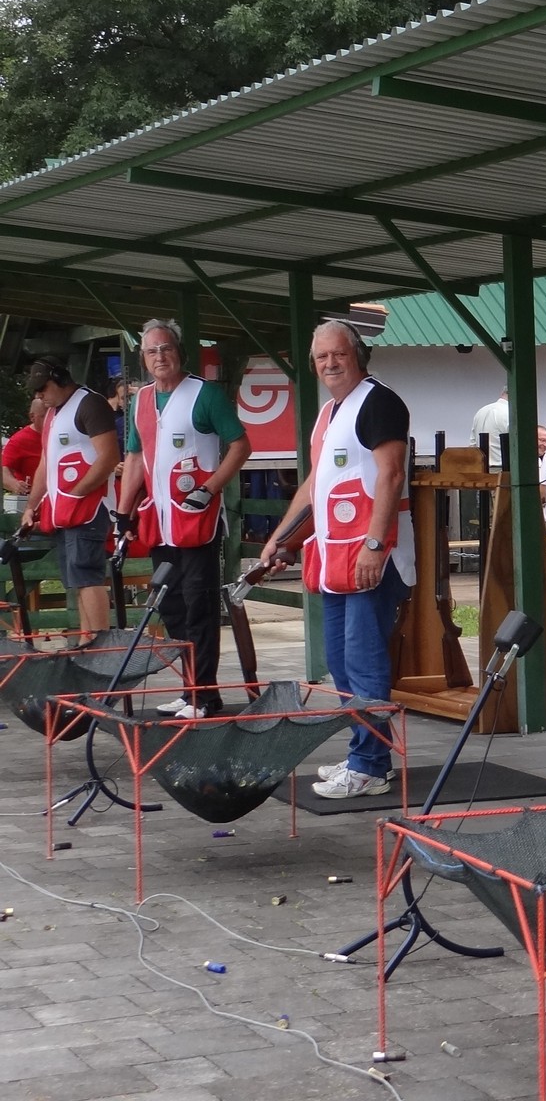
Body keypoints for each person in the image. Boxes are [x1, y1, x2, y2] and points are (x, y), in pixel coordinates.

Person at [261, 320, 415, 800]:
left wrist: (374, 546)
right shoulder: (329, 412)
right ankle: (364, 756)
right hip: (332, 557)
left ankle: (369, 765)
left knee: (364, 662)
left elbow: (390, 476)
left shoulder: (379, 401)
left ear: (358, 355)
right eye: (321, 356)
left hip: (371, 556)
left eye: (338, 354)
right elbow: (313, 487)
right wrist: (280, 538)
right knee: (341, 662)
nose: (329, 363)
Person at [113, 320, 252, 718]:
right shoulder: (140, 401)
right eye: (152, 351)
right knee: (171, 605)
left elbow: (241, 446)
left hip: (196, 518)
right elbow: (136, 458)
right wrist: (122, 514)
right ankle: (190, 688)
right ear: (143, 358)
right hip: (159, 519)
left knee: (199, 606)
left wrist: (209, 488)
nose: (160, 356)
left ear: (179, 352)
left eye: (166, 348)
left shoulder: (205, 395)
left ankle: (205, 695)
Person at [20, 355, 119, 637]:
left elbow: (109, 457)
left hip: (89, 509)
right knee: (77, 580)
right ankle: (87, 643)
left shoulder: (90, 404)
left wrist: (77, 493)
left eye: (43, 388)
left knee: (88, 577)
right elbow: (45, 463)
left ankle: (98, 646)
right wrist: (32, 506)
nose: (40, 394)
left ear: (61, 380)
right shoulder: (52, 414)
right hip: (65, 510)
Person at [2, 396, 48, 511]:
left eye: (51, 415)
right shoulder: (19, 440)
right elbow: (4, 471)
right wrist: (14, 484)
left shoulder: (59, 435)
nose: (49, 420)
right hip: (33, 504)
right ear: (32, 417)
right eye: (44, 416)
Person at [471, 386, 510, 469]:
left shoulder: (480, 411)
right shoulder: (510, 413)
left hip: (481, 470)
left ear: (502, 393)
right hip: (504, 471)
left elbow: (472, 446)